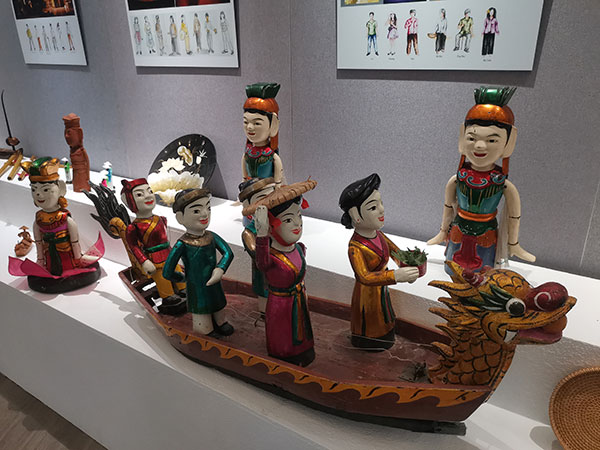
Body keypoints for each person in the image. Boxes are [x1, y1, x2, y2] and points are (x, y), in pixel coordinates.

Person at [427, 87, 536, 275]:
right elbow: (448, 207)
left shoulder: (502, 184)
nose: (479, 145)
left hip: (486, 234)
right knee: (454, 271)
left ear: (509, 143)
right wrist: (443, 231)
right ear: (462, 137)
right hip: (458, 230)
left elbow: (514, 216)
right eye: (472, 138)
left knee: (481, 275)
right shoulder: (457, 179)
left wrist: (514, 244)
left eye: (492, 140)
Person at [339, 173, 419, 350]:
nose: (382, 210)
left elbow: (396, 253)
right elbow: (364, 277)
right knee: (371, 323)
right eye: (373, 207)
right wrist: (395, 276)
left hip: (381, 291)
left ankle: (384, 337)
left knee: (384, 317)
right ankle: (369, 342)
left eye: (381, 203)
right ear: (355, 215)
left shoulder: (379, 235)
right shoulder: (355, 247)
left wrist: (410, 265)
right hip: (366, 296)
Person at [250, 180, 317, 367]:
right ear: (271, 226)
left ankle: (304, 351)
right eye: (288, 220)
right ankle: (284, 356)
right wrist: (262, 235)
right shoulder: (271, 256)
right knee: (284, 337)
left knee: (302, 333)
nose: (297, 224)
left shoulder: (299, 249)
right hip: (281, 306)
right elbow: (261, 263)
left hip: (299, 301)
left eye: (299, 216)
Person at [163, 189, 235, 336]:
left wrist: (220, 269)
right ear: (180, 217)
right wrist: (182, 278)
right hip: (196, 286)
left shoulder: (211, 236)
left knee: (218, 304)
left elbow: (228, 253)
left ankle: (220, 322)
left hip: (214, 282)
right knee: (201, 311)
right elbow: (167, 271)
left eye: (208, 208)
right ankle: (205, 329)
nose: (205, 214)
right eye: (196, 211)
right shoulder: (182, 244)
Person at [120, 179, 186, 315]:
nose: (148, 196)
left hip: (169, 254)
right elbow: (134, 247)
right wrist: (144, 261)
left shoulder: (161, 219)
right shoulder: (134, 227)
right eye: (140, 194)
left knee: (178, 272)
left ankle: (183, 289)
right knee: (162, 278)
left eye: (149, 191)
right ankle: (168, 297)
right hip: (154, 258)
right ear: (129, 201)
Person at [238, 178, 277, 314]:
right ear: (247, 205)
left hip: (282, 272)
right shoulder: (249, 232)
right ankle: (264, 314)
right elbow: (257, 254)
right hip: (263, 272)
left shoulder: (277, 224)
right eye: (262, 199)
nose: (269, 202)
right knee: (265, 298)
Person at [241, 82, 285, 184]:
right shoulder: (248, 152)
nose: (249, 127)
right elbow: (244, 167)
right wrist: (244, 179)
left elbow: (278, 173)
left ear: (273, 125)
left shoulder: (270, 155)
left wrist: (278, 184)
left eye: (257, 123)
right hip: (249, 187)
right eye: (246, 122)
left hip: (268, 188)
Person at [63, 113, 90, 193]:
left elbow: (87, 165)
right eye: (65, 133)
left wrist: (87, 181)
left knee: (81, 184)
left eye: (69, 133)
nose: (66, 136)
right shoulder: (72, 150)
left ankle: (83, 187)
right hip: (76, 175)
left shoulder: (81, 151)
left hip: (82, 177)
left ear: (79, 134)